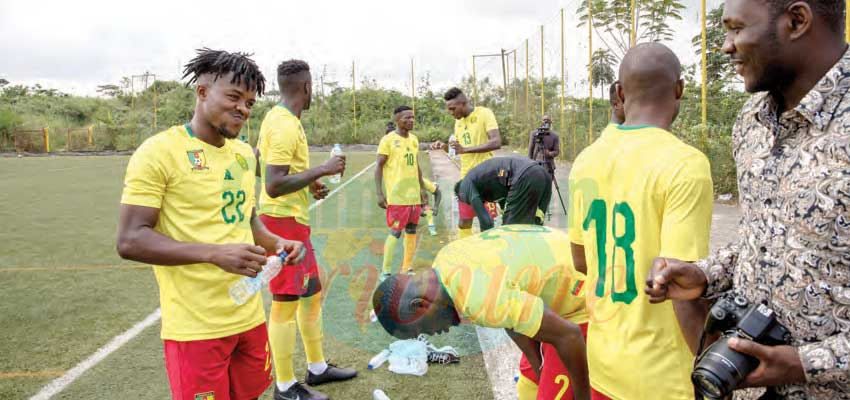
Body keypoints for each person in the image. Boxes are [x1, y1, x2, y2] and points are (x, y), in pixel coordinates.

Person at [646, 1, 850, 398]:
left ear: (796, 21)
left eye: (736, 28)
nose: (726, 46)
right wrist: (705, 274)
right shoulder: (752, 122)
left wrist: (805, 363)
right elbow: (772, 237)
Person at [117, 48, 305, 400]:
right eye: (233, 96)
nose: (243, 109)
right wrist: (213, 254)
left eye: (249, 102)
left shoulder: (244, 154)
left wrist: (278, 244)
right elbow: (130, 240)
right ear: (202, 92)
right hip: (196, 328)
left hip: (248, 316)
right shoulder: (159, 151)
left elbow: (247, 223)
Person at [568, 43, 714, 400]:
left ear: (619, 92)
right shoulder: (685, 164)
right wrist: (711, 369)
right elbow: (681, 287)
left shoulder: (586, 160)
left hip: (603, 363)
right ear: (679, 89)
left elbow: (581, 261)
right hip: (662, 378)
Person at [372, 225, 590, 400]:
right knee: (529, 384)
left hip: (587, 293)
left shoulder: (478, 298)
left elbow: (570, 335)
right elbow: (509, 317)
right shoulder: (444, 261)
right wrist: (538, 365)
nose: (434, 334)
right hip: (561, 254)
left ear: (420, 305)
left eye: (422, 330)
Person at [256, 59, 356, 400]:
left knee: (311, 294)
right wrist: (322, 170)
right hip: (281, 223)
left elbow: (269, 167)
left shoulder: (281, 118)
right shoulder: (284, 125)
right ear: (307, 87)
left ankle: (317, 368)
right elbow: (272, 184)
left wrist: (310, 184)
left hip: (294, 220)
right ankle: (284, 387)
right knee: (285, 302)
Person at [430, 87, 502, 239]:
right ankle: (467, 255)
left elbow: (496, 142)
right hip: (466, 179)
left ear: (463, 103)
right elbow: (457, 150)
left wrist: (466, 149)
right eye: (448, 109)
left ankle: (489, 254)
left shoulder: (484, 113)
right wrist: (443, 146)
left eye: (453, 108)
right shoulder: (458, 123)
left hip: (486, 177)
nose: (451, 112)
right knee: (464, 222)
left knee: (487, 221)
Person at [376, 105, 425, 280]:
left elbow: (416, 166)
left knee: (412, 231)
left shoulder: (414, 139)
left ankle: (407, 267)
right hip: (397, 197)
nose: (411, 120)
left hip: (413, 197)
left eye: (412, 117)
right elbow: (378, 166)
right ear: (398, 120)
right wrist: (379, 193)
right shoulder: (388, 140)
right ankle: (386, 271)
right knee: (395, 232)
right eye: (407, 118)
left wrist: (422, 190)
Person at [455, 157, 551, 232]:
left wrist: (485, 247)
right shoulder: (486, 184)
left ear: (460, 195)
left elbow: (486, 222)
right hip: (542, 174)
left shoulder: (464, 187)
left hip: (525, 175)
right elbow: (504, 197)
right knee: (534, 226)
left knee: (510, 230)